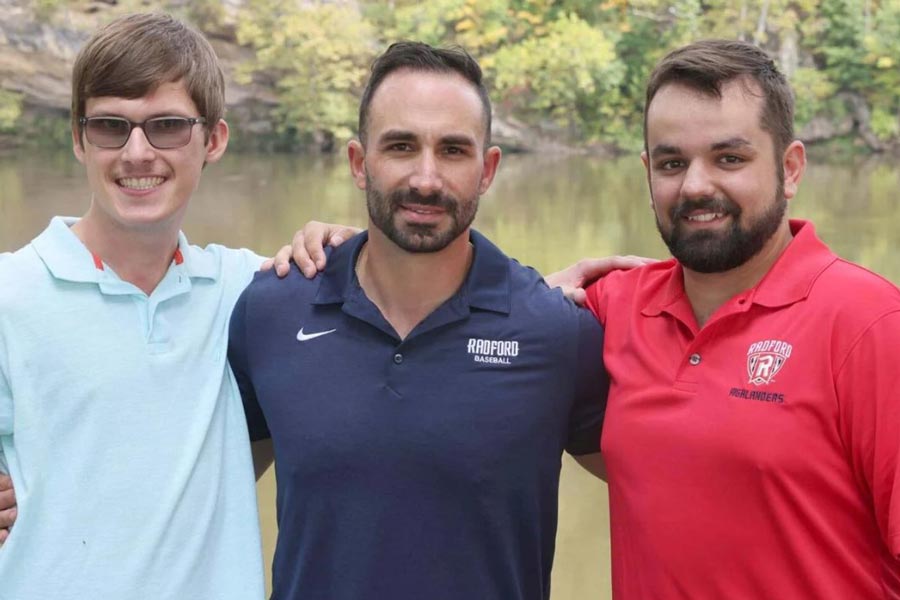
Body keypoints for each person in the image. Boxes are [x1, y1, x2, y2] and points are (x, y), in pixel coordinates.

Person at [295, 40, 900, 597]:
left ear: (791, 168)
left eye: (730, 158)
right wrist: (355, 252)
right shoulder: (614, 308)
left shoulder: (870, 325)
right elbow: (483, 310)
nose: (696, 186)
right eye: (671, 163)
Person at [227, 41, 609, 600]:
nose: (426, 179)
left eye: (453, 150)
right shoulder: (273, 309)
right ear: (360, 163)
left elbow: (673, 495)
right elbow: (202, 495)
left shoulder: (554, 332)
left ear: (488, 169)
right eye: (401, 146)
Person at [0, 13, 298, 598]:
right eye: (111, 126)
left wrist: (330, 239)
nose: (138, 153)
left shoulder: (251, 291)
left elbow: (385, 286)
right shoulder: (10, 294)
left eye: (166, 126)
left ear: (213, 140)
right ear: (79, 137)